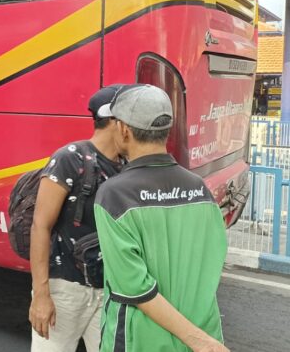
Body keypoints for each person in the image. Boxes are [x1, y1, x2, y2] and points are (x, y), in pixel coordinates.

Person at [95, 84, 229, 352]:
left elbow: (135, 289)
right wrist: (201, 340)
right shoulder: (198, 187)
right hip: (204, 330)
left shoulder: (115, 195)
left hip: (142, 342)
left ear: (123, 129)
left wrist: (198, 341)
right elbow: (210, 263)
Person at [28, 85, 124, 352]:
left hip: (107, 289)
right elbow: (40, 226)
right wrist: (42, 295)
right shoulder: (69, 158)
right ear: (116, 122)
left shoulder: (126, 165)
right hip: (65, 290)